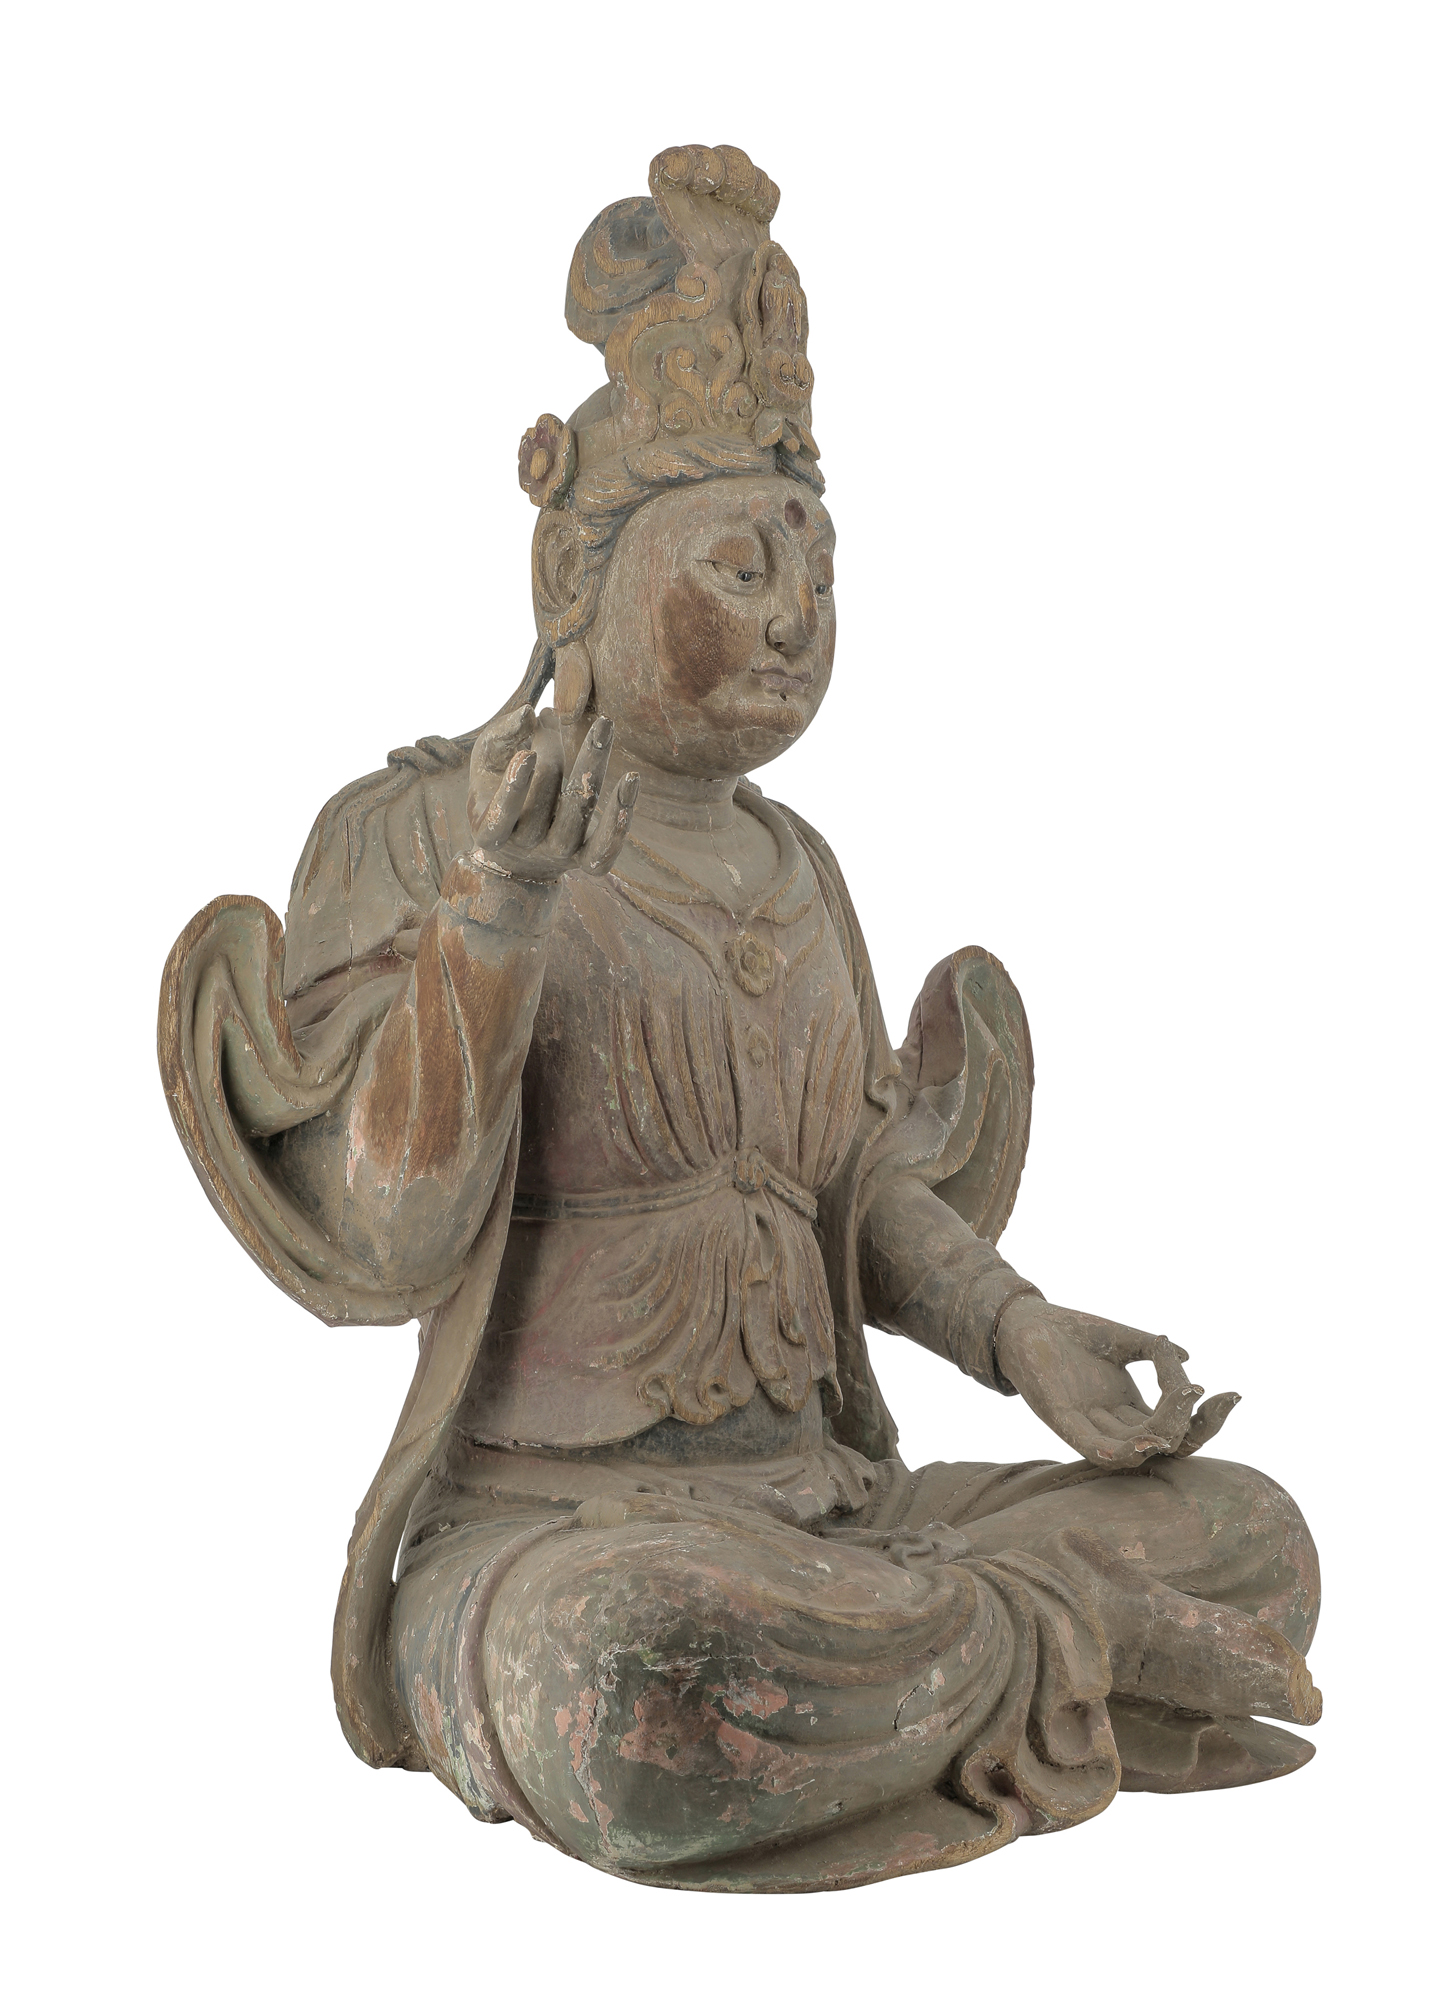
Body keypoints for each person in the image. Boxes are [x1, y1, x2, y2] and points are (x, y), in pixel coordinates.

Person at [159, 144, 1320, 1892]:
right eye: (740, 563)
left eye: (820, 571)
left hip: (831, 1512)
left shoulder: (798, 867)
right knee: (641, 1687)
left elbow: (856, 1192)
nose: (795, 618)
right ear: (580, 581)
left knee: (1255, 1537)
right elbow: (389, 1237)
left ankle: (987, 1646)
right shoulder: (422, 835)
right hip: (549, 1540)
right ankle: (1064, 1649)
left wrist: (1025, 1340)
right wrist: (495, 917)